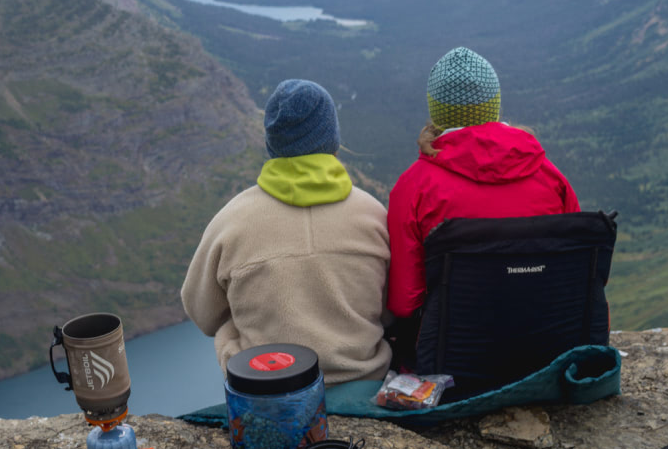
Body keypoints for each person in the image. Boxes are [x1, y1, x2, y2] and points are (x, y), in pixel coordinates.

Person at [181, 79, 392, 385]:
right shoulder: (375, 215)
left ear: (273, 141)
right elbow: (391, 310)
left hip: (267, 391)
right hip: (365, 383)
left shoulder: (230, 221)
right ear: (331, 139)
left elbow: (202, 313)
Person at [386, 46, 580, 323]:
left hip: (451, 354)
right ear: (494, 103)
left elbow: (405, 303)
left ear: (436, 110)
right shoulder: (550, 176)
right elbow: (577, 270)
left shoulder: (412, 188)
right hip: (544, 341)